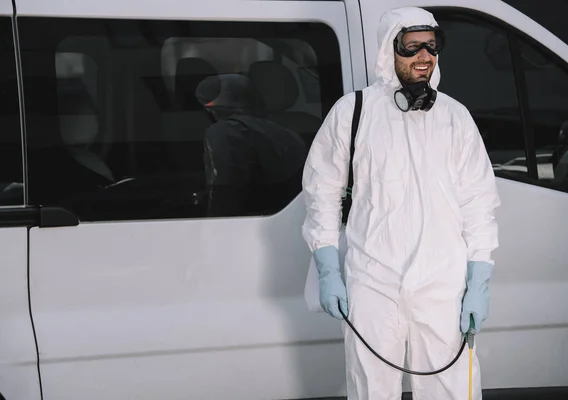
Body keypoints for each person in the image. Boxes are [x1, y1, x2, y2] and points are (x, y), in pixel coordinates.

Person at [301, 6, 500, 400]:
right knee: (372, 387)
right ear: (387, 52)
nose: (424, 57)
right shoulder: (353, 113)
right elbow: (321, 195)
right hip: (372, 280)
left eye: (432, 46)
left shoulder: (455, 118)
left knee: (452, 388)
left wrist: (478, 282)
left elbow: (479, 204)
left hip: (443, 283)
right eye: (411, 47)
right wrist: (327, 270)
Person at [195, 73, 308, 217]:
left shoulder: (225, 132)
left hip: (245, 225)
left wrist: (211, 227)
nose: (206, 108)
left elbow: (226, 193)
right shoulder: (288, 131)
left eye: (209, 102)